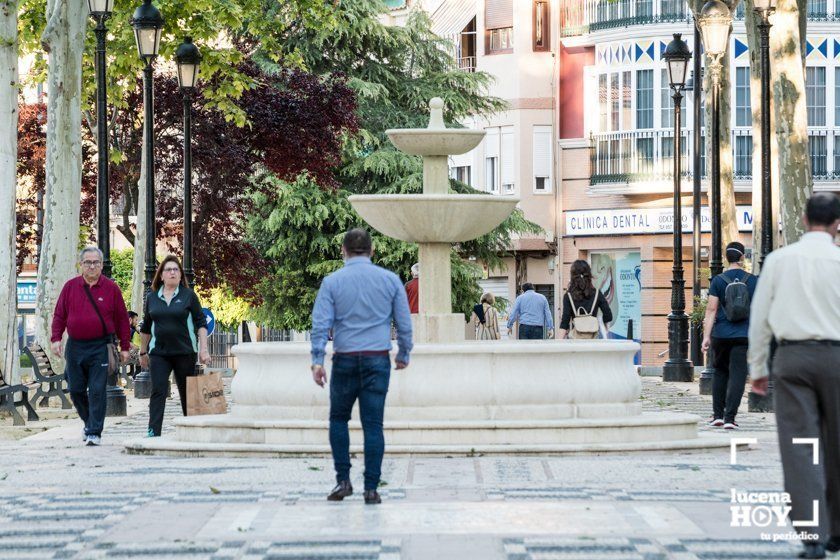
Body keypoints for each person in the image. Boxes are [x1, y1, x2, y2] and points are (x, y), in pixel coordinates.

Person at [748, 193, 840, 560]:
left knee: (801, 446)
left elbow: (760, 317)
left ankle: (812, 535)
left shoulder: (779, 261)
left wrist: (758, 368)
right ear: (837, 223)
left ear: (803, 219)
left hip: (792, 358)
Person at [311, 228, 413, 505]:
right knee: (373, 424)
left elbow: (320, 324)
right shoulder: (390, 280)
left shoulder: (332, 282)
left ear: (343, 251)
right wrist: (403, 353)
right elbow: (404, 323)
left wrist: (318, 360)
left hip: (344, 359)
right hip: (377, 358)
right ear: (372, 251)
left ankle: (343, 480)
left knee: (338, 419)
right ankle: (371, 488)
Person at [51, 247, 131, 446]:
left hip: (100, 347)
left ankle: (95, 431)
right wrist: (56, 339)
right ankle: (89, 423)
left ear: (102, 265)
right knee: (76, 389)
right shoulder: (70, 287)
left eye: (96, 262)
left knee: (97, 390)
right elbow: (59, 315)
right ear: (81, 265)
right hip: (75, 346)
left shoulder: (111, 288)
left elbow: (122, 319)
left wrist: (125, 347)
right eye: (87, 262)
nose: (92, 266)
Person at [139, 256, 211, 438]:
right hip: (159, 353)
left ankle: (193, 430)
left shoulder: (188, 296)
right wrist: (142, 351)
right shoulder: (152, 298)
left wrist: (203, 350)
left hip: (184, 352)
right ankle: (153, 431)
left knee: (188, 393)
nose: (172, 272)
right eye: (168, 269)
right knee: (158, 391)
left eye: (176, 269)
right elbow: (146, 327)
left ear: (180, 275)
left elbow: (201, 323)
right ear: (161, 276)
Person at [701, 241, 758, 431]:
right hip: (743, 334)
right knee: (738, 375)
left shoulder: (718, 280)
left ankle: (717, 415)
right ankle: (730, 418)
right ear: (742, 257)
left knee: (720, 372)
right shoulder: (753, 280)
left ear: (727, 258)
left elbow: (711, 310)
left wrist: (706, 337)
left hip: (721, 335)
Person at [558, 260, 613, 339]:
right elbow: (608, 315)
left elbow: (564, 322)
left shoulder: (568, 296)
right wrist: (605, 329)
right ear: (589, 274)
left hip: (575, 342)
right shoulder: (597, 294)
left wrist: (558, 342)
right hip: (592, 341)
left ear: (573, 276)